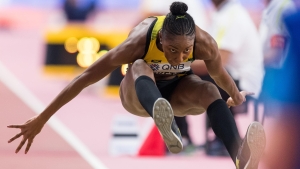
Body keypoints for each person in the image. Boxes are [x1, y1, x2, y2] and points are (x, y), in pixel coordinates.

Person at [7, 2, 266, 168]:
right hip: (138, 95)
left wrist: (235, 96)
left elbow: (219, 74)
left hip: (178, 92)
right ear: (161, 40)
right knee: (141, 65)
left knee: (209, 89)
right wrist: (42, 118)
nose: (178, 57)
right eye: (172, 50)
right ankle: (164, 118)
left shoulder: (205, 42)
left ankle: (239, 157)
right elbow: (83, 79)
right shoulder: (138, 41)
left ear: (193, 42)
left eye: (186, 51)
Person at [192, 0, 264, 156]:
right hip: (233, 74)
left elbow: (216, 63)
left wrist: (178, 63)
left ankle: (230, 140)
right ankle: (214, 136)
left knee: (206, 80)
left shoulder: (232, 16)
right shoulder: (222, 14)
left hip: (244, 81)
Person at [139, 0, 209, 151]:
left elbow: (146, 18)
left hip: (188, 54)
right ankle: (183, 135)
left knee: (166, 78)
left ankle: (181, 134)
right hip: (193, 51)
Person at [258, 0, 295, 118]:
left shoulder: (283, 8)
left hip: (279, 74)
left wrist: (251, 61)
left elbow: (276, 55)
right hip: (270, 70)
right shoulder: (269, 8)